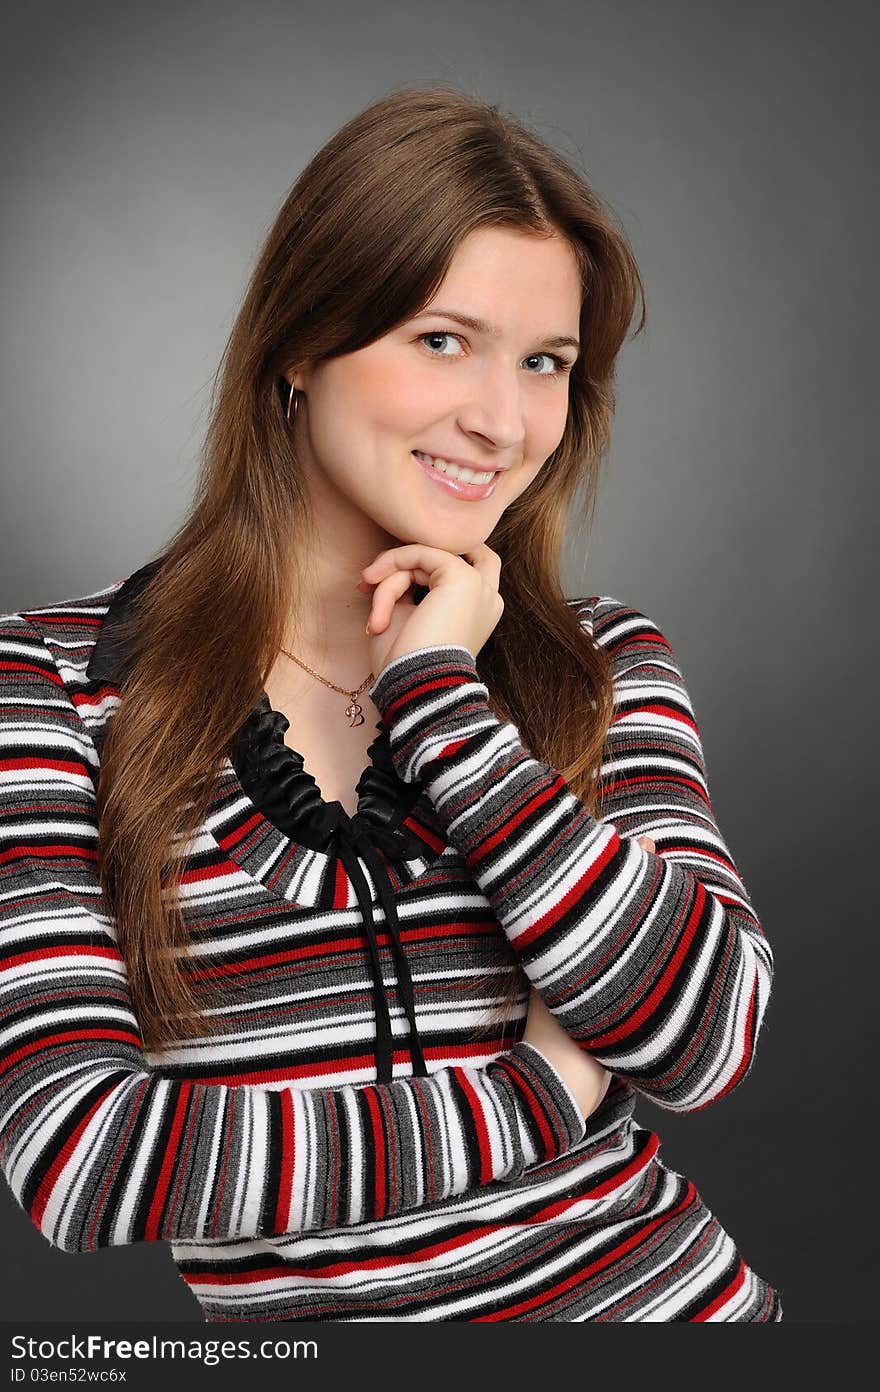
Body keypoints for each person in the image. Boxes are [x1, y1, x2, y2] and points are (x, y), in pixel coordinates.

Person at [0, 84, 783, 1321]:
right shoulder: (49, 686)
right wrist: (537, 1095)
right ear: (302, 346)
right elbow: (83, 1157)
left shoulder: (599, 662)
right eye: (440, 340)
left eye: (546, 364)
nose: (502, 420)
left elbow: (703, 1035)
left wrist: (441, 702)